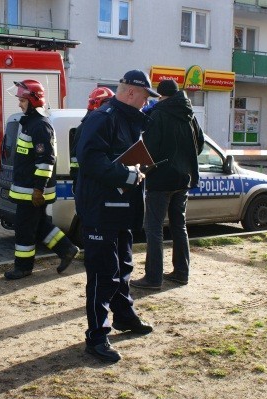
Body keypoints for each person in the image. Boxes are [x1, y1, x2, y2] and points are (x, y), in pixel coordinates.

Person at [75, 70, 158, 362]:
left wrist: (137, 172)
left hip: (120, 209)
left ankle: (124, 316)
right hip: (100, 210)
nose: (147, 103)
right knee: (102, 273)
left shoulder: (127, 120)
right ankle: (97, 337)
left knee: (122, 266)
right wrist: (126, 174)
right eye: (146, 97)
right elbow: (89, 159)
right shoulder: (104, 117)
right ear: (132, 93)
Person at [131, 79, 205, 290]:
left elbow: (149, 149)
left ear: (161, 95)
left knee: (154, 228)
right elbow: (199, 144)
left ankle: (153, 278)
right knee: (178, 225)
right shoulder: (189, 114)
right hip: (184, 178)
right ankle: (181, 273)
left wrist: (141, 167)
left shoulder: (159, 114)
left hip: (160, 179)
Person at [4, 79, 79, 280]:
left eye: (22, 100)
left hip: (32, 192)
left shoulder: (40, 126)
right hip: (28, 190)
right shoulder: (30, 123)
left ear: (33, 101)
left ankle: (23, 267)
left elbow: (46, 161)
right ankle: (67, 249)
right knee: (39, 226)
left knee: (24, 230)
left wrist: (38, 189)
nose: (19, 104)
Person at [69, 86, 115, 190]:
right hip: (86, 183)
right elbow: (76, 159)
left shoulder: (99, 124)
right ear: (96, 104)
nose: (110, 107)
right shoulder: (86, 127)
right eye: (107, 103)